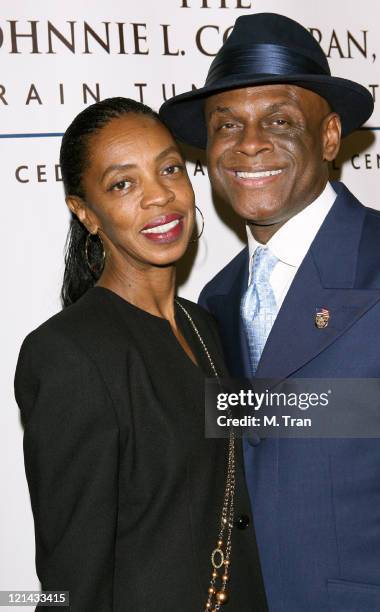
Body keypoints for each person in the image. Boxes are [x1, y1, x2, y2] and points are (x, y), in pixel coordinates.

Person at [160, 12, 380, 612]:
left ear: (327, 137)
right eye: (226, 125)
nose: (249, 144)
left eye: (279, 120)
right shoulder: (213, 301)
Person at [14, 97, 268, 612]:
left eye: (169, 168)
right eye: (123, 184)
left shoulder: (209, 325)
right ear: (85, 212)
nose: (160, 197)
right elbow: (69, 588)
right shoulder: (68, 355)